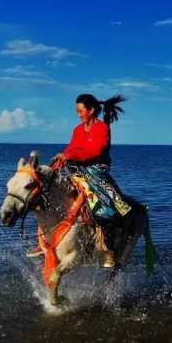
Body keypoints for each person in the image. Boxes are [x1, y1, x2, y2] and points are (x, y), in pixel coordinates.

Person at [51, 93, 131, 267]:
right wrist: (58, 162)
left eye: (80, 111)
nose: (78, 114)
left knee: (107, 207)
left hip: (97, 170)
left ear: (91, 110)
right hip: (78, 169)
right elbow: (71, 148)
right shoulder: (78, 130)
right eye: (77, 111)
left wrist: (69, 155)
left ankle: (108, 250)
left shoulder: (102, 128)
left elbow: (94, 151)